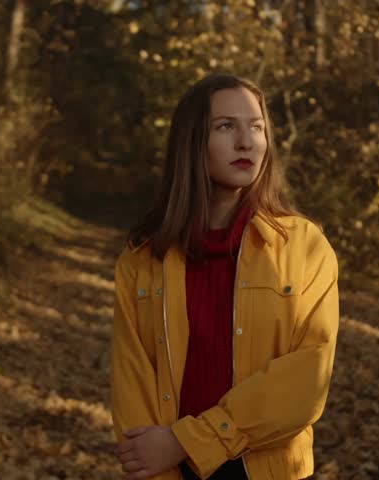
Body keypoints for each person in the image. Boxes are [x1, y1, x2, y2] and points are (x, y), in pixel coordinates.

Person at [110, 73, 339, 480]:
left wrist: (191, 440)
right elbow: (132, 387)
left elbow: (308, 378)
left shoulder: (304, 246)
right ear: (193, 141)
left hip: (268, 469)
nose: (246, 142)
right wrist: (163, 464)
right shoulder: (141, 260)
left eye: (256, 127)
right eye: (225, 127)